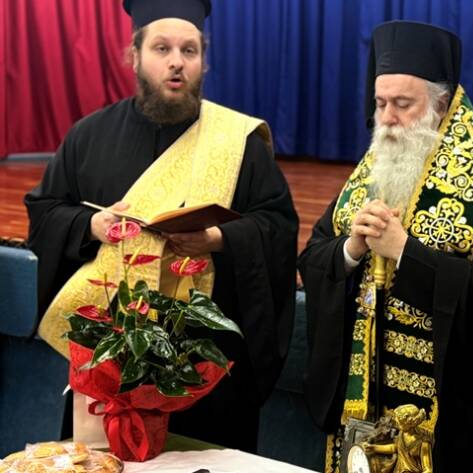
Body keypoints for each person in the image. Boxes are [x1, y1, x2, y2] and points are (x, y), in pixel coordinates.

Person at [24, 0, 298, 452]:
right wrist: (93, 225)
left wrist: (216, 239)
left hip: (204, 365)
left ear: (203, 61)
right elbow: (45, 211)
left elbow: (278, 227)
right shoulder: (88, 136)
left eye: (189, 50)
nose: (176, 62)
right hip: (110, 355)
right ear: (135, 56)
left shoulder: (238, 142)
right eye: (162, 48)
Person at [298, 21, 473, 472]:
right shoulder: (368, 172)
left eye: (403, 104)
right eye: (380, 103)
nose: (387, 118)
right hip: (360, 406)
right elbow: (314, 256)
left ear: (440, 105)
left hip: (441, 417)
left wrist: (406, 252)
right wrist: (352, 249)